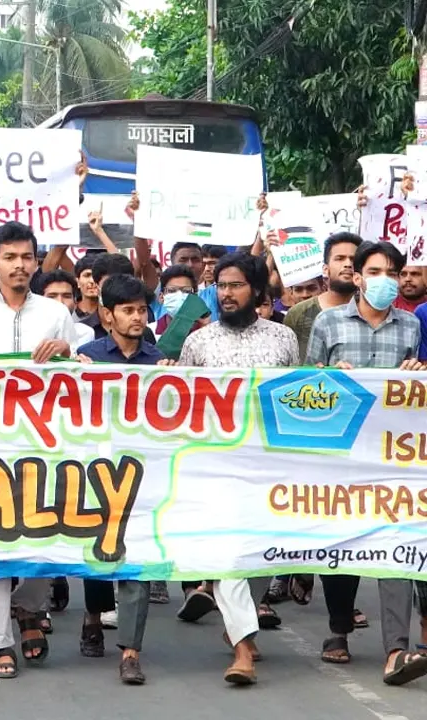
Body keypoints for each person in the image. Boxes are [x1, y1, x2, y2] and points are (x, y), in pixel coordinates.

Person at [0, 221, 79, 680]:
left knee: (46, 530)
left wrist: (65, 349)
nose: (20, 265)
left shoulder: (55, 312)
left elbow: (77, 374)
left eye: (27, 257)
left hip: (44, 441)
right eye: (9, 257)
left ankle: (29, 610)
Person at [169, 251, 300, 686]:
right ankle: (243, 647)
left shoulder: (283, 339)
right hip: (213, 467)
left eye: (236, 285)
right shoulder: (198, 342)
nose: (226, 294)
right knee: (225, 554)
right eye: (221, 286)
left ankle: (238, 623)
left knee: (260, 553)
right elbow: (177, 407)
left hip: (266, 466)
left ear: (257, 290)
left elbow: (295, 401)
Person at [306, 241, 427, 686]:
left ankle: (397, 649)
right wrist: (329, 374)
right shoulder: (327, 321)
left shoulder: (410, 325)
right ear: (356, 277)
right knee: (346, 546)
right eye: (375, 271)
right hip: (342, 456)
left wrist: (417, 374)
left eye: (392, 272)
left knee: (393, 545)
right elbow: (309, 383)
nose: (386, 280)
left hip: (392, 457)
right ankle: (339, 629)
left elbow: (412, 394)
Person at [74, 274, 160, 685]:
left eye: (142, 309)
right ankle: (92, 616)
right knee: (99, 549)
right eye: (127, 310)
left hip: (143, 472)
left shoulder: (158, 360)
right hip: (97, 468)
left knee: (136, 557)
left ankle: (130, 649)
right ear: (107, 315)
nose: (137, 317)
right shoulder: (87, 356)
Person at [285, 232, 361, 359]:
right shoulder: (298, 313)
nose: (348, 264)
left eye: (353, 259)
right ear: (325, 269)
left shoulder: (373, 312)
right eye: (340, 258)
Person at [35, 269, 94, 349]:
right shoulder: (29, 332)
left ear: (75, 301)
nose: (60, 302)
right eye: (52, 296)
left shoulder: (85, 333)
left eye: (67, 296)